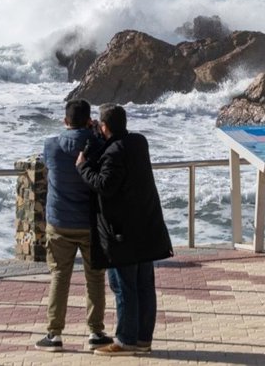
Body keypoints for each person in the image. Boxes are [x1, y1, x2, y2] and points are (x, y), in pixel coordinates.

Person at [76, 103, 173, 356]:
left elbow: (105, 185)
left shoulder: (113, 152)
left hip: (123, 233)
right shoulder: (139, 142)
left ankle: (125, 341)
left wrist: (83, 166)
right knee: (144, 285)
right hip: (146, 227)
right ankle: (142, 340)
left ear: (104, 126)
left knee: (123, 286)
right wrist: (102, 137)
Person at [34, 99, 113, 352]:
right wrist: (93, 133)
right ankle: (96, 332)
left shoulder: (52, 145)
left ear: (65, 121)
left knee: (59, 276)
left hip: (59, 222)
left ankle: (54, 334)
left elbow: (47, 164)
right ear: (89, 120)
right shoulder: (98, 145)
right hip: (90, 223)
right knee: (95, 277)